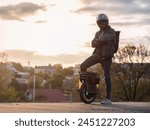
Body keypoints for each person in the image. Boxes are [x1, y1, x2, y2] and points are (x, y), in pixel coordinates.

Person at [80, 14, 117, 104]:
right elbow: (92, 43)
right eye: (99, 23)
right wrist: (99, 41)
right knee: (83, 66)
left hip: (106, 57)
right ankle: (87, 87)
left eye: (103, 22)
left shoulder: (112, 31)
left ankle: (108, 98)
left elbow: (105, 39)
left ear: (107, 22)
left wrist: (99, 41)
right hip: (97, 55)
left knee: (107, 76)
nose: (101, 24)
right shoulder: (98, 33)